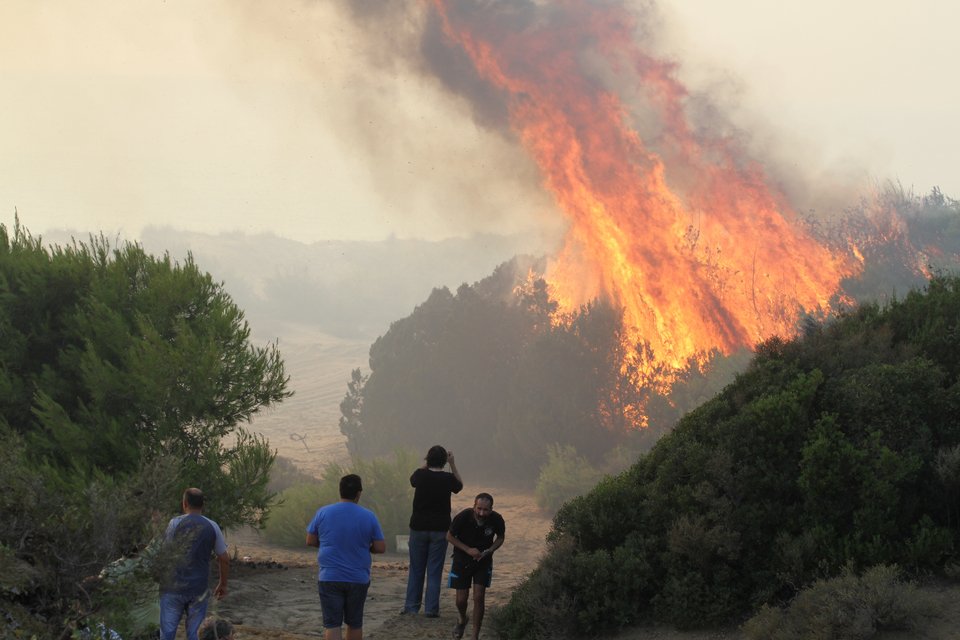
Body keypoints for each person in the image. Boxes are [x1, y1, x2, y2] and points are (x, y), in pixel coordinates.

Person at [306, 474, 386, 640]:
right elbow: (380, 547)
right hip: (358, 578)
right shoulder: (369, 516)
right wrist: (366, 547)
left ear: (340, 491)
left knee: (332, 625)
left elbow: (310, 540)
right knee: (355, 623)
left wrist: (328, 544)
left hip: (330, 577)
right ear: (358, 494)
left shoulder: (323, 512)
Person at [158, 488, 229, 640]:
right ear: (203, 505)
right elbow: (223, 557)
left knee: (167, 634)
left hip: (173, 587)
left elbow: (164, 553)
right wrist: (223, 584)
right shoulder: (212, 526)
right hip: (198, 589)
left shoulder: (174, 523)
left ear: (184, 503)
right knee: (194, 634)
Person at [402, 445, 463, 617]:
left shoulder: (420, 475)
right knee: (434, 570)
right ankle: (431, 609)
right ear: (444, 461)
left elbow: (412, 480)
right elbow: (459, 486)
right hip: (440, 529)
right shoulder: (448, 478)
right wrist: (453, 463)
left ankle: (411, 606)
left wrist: (427, 463)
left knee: (416, 569)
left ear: (428, 459)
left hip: (418, 527)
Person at [446, 493, 505, 640]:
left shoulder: (496, 519)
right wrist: (467, 549)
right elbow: (449, 536)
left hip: (483, 561)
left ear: (491, 509)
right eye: (479, 509)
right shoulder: (463, 516)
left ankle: (474, 636)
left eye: (486, 510)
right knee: (461, 600)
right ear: (474, 506)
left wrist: (491, 550)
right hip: (462, 560)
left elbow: (500, 537)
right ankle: (462, 619)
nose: (482, 513)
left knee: (479, 597)